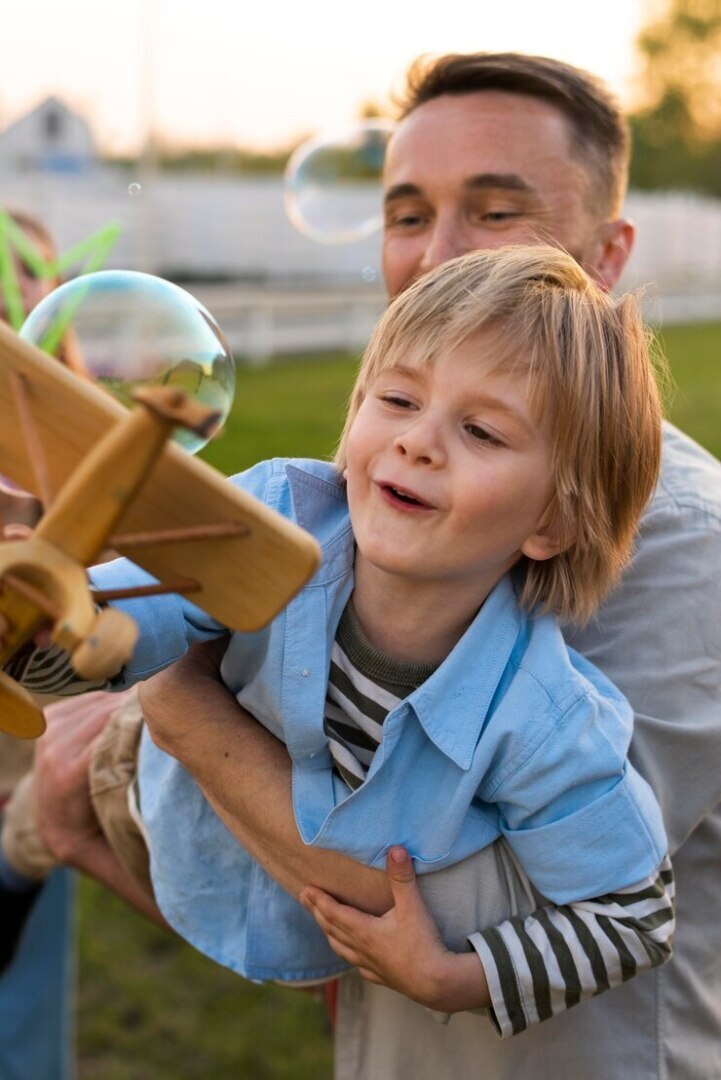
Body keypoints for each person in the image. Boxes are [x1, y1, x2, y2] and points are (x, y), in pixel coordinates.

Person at [22, 52, 721, 1077]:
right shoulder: (325, 510)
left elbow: (439, 900)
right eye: (404, 214)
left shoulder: (677, 544)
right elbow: (117, 635)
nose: (436, 254)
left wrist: (170, 703)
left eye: (493, 212)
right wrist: (55, 620)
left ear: (610, 254)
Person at [3, 244, 674, 1011]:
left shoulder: (542, 722)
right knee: (44, 807)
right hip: (140, 789)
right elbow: (127, 618)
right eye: (396, 399)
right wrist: (42, 622)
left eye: (481, 432)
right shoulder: (279, 516)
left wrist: (453, 981)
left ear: (552, 521)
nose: (416, 440)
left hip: (282, 910)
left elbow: (636, 917)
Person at [0, 208, 79, 1080]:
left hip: (22, 796)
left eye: (44, 277)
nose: (32, 295)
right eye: (16, 270)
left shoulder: (63, 438)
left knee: (23, 1022)